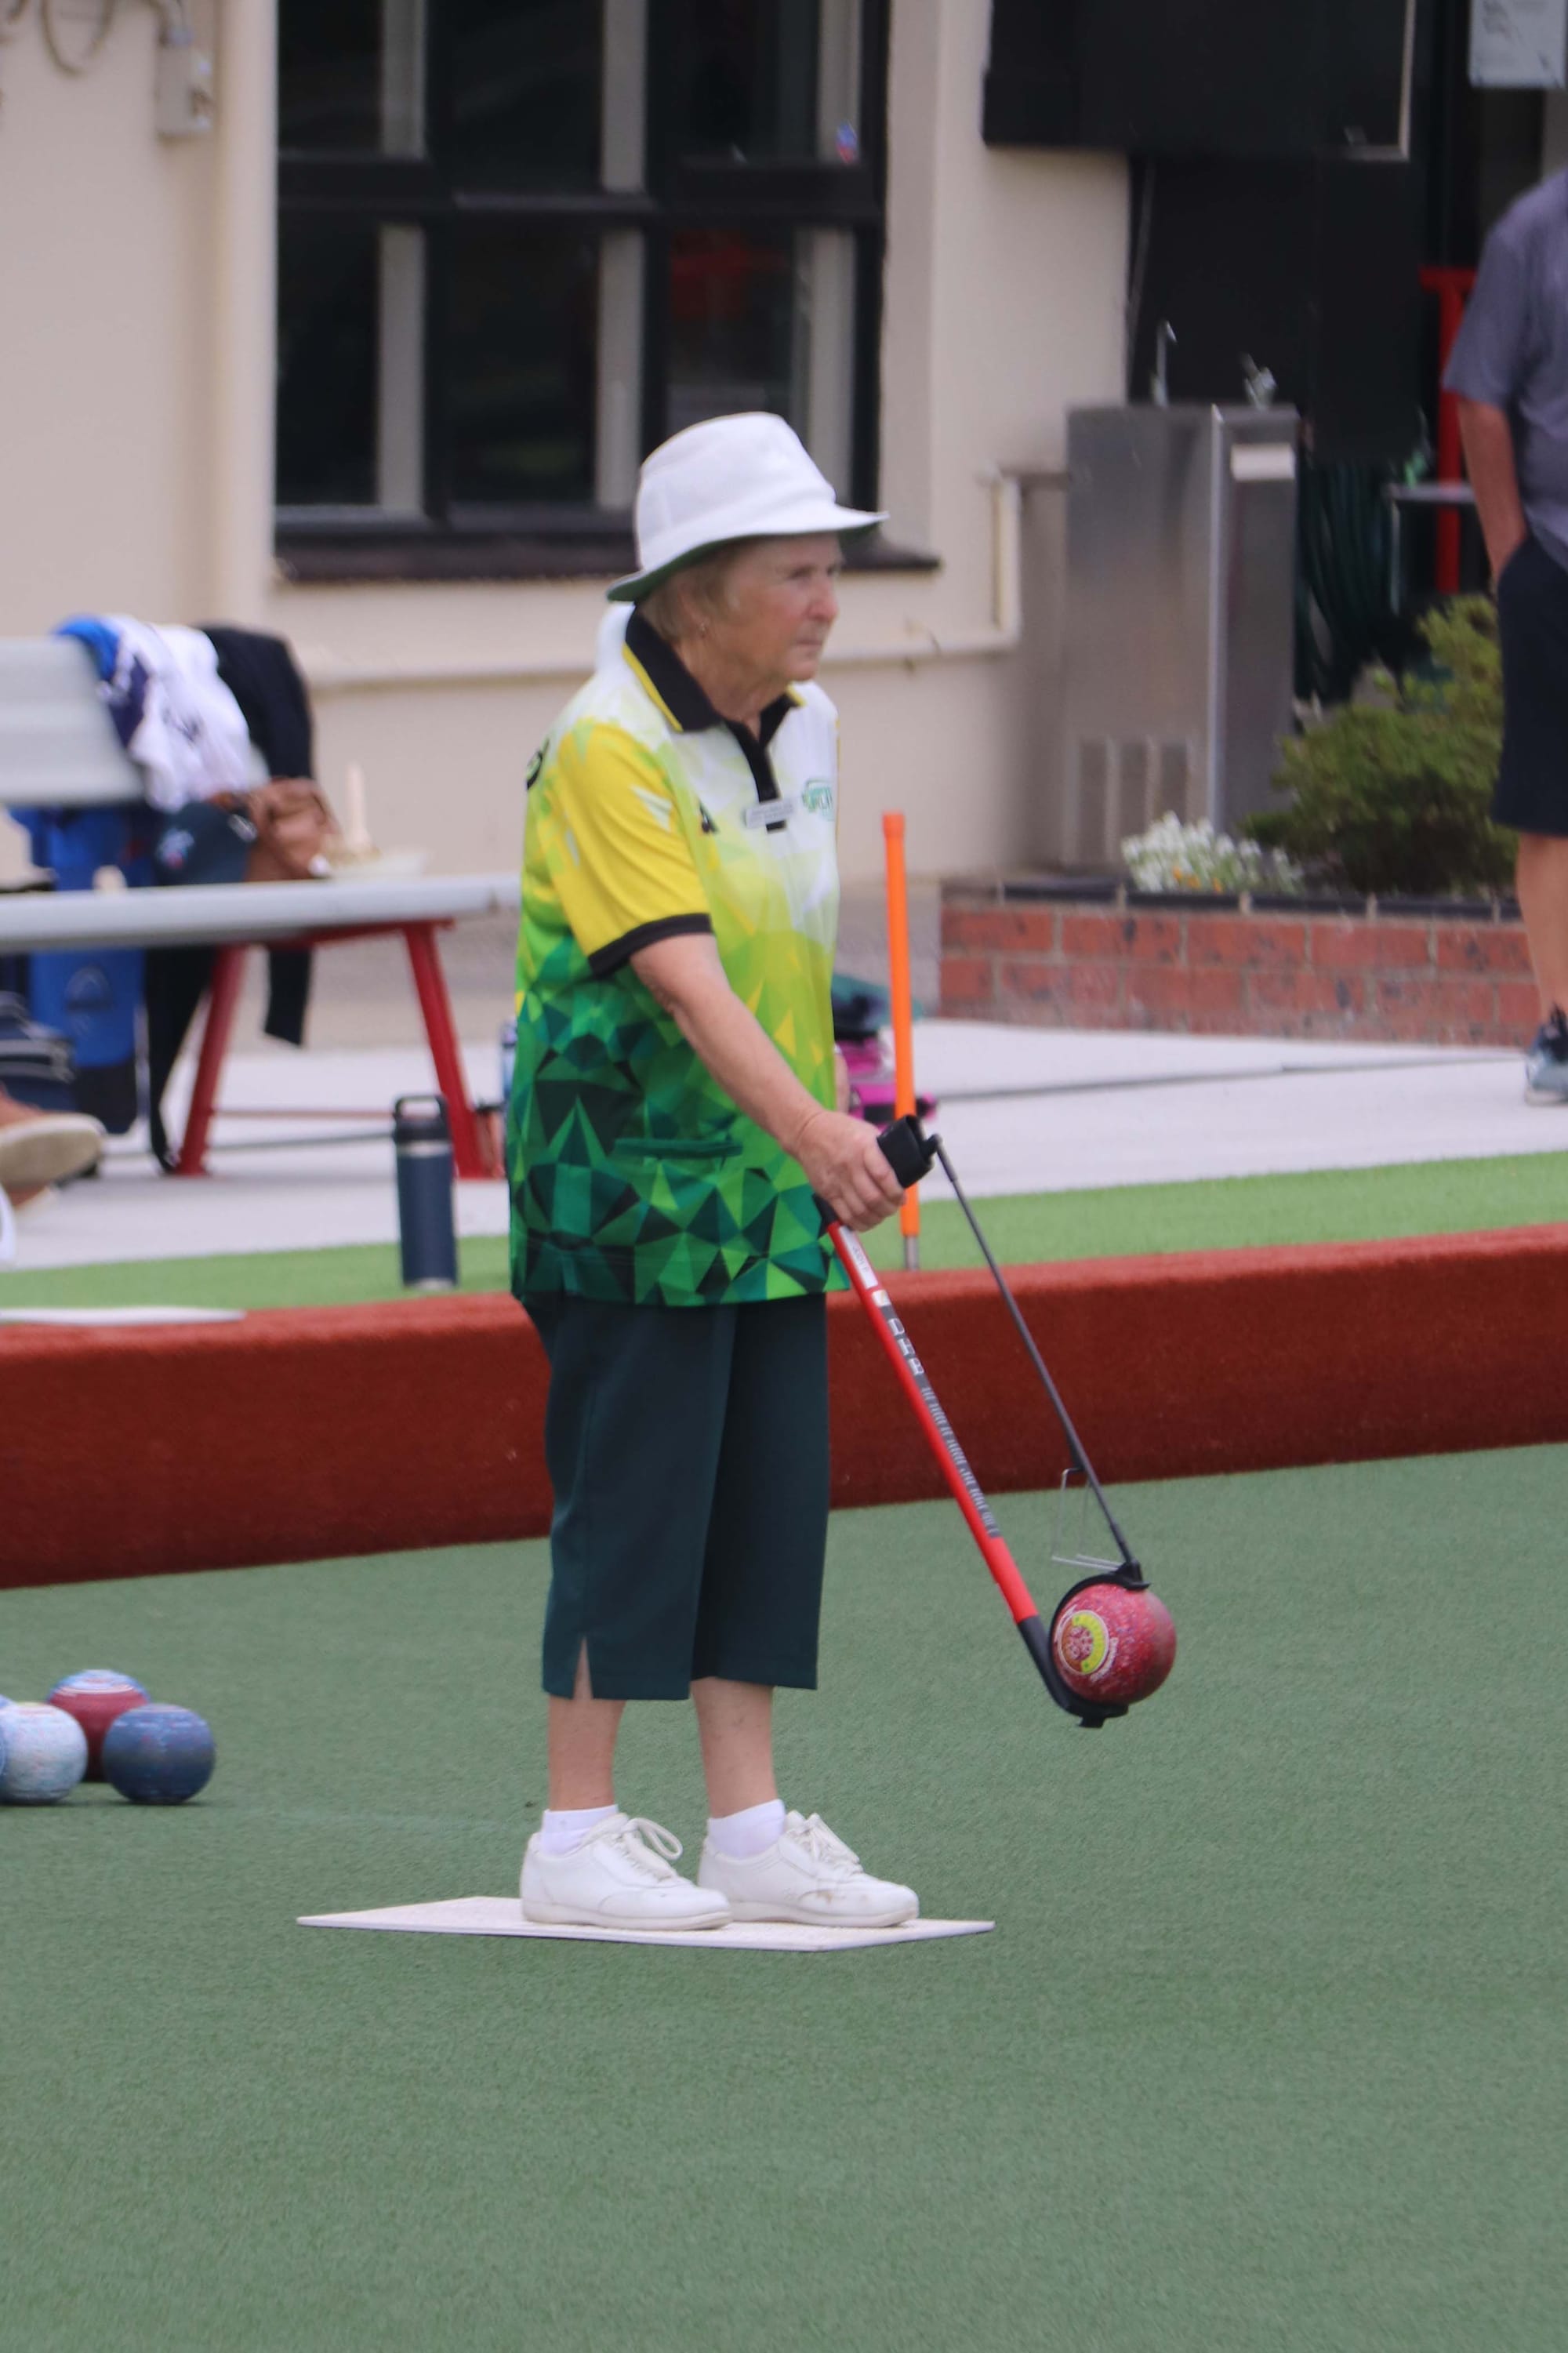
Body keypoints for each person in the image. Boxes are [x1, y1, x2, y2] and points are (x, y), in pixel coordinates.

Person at [509, 412, 914, 1930]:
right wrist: (818, 1133)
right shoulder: (606, 746)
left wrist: (842, 1119)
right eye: (795, 572)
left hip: (765, 1178)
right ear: (691, 589)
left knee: (762, 1503)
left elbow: (788, 961)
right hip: (619, 1182)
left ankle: (747, 1826)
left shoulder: (802, 724)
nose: (826, 598)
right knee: (637, 1503)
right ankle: (574, 1834)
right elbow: (682, 978)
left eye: (831, 569)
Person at [1446, 169, 1568, 1102]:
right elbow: (1477, 397)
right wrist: (1508, 556)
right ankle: (1561, 1025)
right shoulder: (1530, 234)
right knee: (1550, 802)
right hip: (1554, 562)